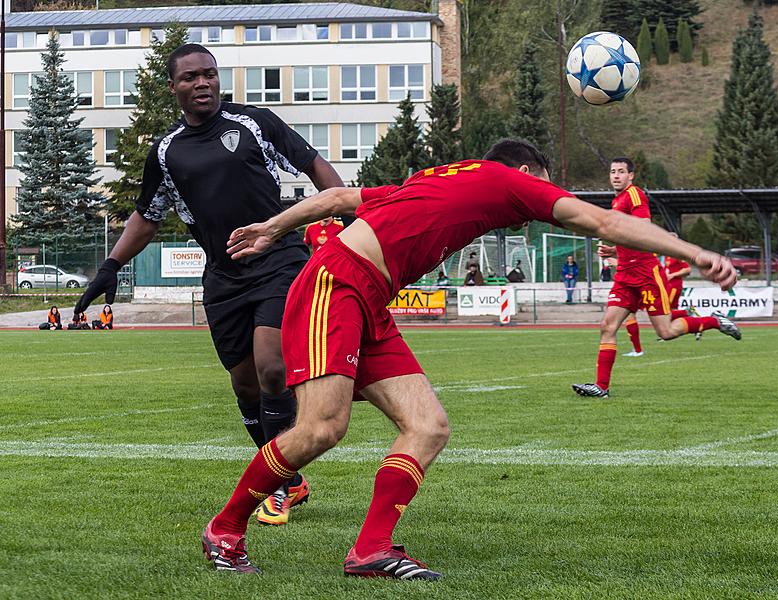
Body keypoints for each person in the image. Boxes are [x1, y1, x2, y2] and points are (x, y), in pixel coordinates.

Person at [206, 138, 737, 578]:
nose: (538, 207)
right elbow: (603, 223)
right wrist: (692, 252)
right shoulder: (507, 180)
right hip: (338, 284)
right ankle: (225, 529)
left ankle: (371, 549)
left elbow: (342, 198)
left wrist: (274, 228)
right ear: (527, 173)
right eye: (542, 186)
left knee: (428, 426)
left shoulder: (443, 177)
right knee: (322, 428)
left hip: (368, 297)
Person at [73, 43, 344, 527]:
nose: (203, 83)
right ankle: (290, 478)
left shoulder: (255, 122)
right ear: (173, 86)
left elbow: (315, 165)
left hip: (279, 259)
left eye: (210, 75)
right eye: (191, 77)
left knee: (273, 369)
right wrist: (109, 267)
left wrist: (345, 213)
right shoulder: (166, 150)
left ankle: (278, 485)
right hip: (222, 277)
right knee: (244, 385)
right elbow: (146, 216)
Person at [573, 157, 741, 399]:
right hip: (625, 275)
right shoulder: (617, 200)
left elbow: (642, 231)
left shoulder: (634, 195)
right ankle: (602, 387)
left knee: (666, 331)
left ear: (631, 175)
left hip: (646, 273)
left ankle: (715, 321)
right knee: (607, 326)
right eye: (612, 172)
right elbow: (627, 236)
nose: (616, 176)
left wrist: (619, 249)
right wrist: (615, 251)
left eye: (621, 171)